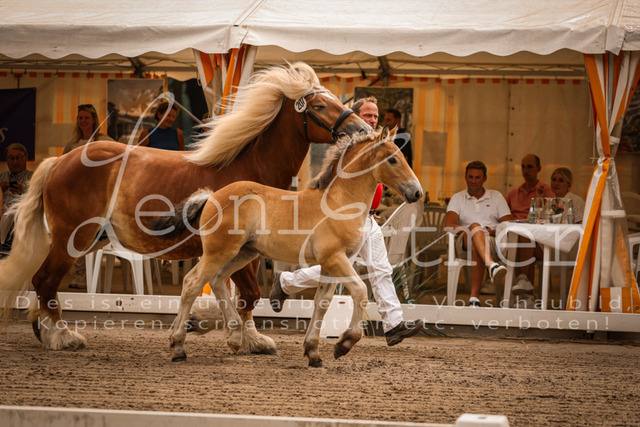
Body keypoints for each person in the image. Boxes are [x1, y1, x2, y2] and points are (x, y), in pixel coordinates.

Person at [270, 104, 423, 347]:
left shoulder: (376, 146)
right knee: (338, 268)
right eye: (368, 115)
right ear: (356, 116)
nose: (372, 119)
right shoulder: (349, 146)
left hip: (367, 218)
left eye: (375, 115)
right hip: (345, 220)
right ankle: (286, 282)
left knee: (380, 268)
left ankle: (394, 324)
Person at [445, 161, 512, 307]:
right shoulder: (458, 198)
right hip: (464, 241)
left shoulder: (496, 196)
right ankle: (491, 265)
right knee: (475, 227)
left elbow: (508, 223)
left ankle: (474, 298)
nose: (473, 181)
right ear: (465, 177)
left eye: (477, 177)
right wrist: (471, 230)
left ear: (485, 178)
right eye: (470, 177)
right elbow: (449, 225)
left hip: (492, 241)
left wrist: (494, 231)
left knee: (477, 244)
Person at [505, 154, 555, 302]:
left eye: (529, 167)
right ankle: (528, 296)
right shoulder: (514, 193)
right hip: (517, 239)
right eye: (523, 167)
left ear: (538, 169)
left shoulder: (546, 190)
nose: (525, 170)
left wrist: (540, 199)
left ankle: (522, 281)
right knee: (523, 241)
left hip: (541, 241)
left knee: (525, 237)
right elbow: (501, 213)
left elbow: (553, 214)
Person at [0, 143, 34, 257]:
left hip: (23, 222)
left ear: (26, 157)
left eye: (18, 157)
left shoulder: (34, 178)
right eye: (11, 158)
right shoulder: (1, 177)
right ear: (7, 160)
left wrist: (24, 193)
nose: (15, 162)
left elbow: (40, 201)